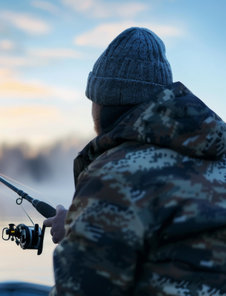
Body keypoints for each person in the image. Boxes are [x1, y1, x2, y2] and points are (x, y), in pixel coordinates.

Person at [43, 27, 226, 295]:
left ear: (104, 104)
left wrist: (90, 223)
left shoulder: (113, 176)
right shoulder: (219, 159)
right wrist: (78, 224)